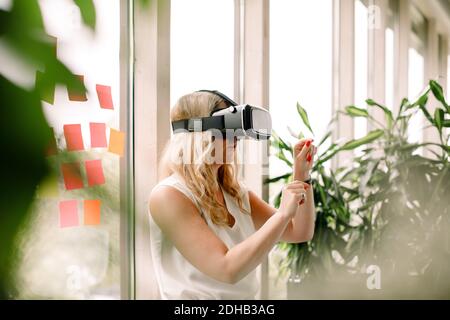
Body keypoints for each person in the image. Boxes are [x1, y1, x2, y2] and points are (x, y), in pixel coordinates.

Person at [148, 90, 317, 299]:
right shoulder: (168, 195)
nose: (236, 137)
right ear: (198, 132)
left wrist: (301, 174)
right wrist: (282, 215)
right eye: (227, 128)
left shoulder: (235, 194)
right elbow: (226, 268)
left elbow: (299, 231)